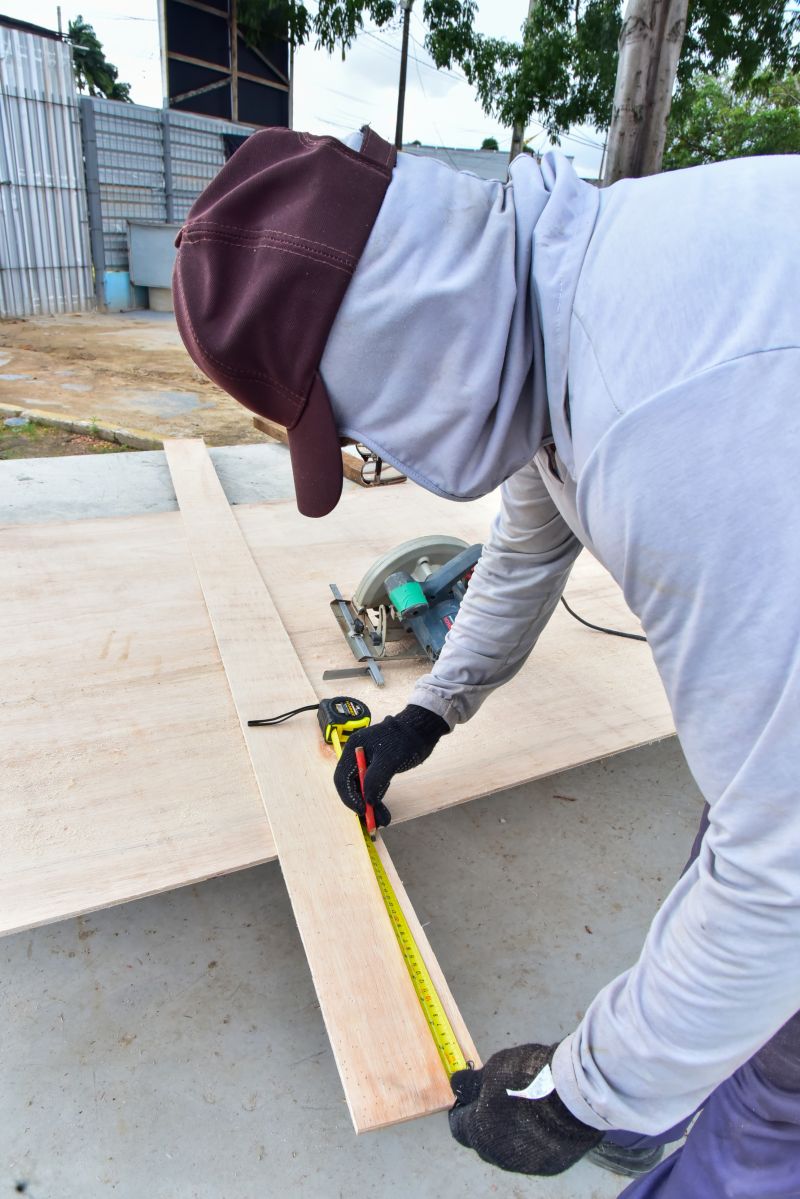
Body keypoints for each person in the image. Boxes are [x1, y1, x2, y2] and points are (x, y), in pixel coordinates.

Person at [172, 124, 800, 1194]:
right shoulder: (564, 292)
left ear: (396, 338)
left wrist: (583, 1095)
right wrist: (428, 714)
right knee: (741, 825)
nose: (372, 450)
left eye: (350, 419)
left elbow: (784, 876)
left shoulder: (671, 424)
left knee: (772, 1103)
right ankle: (686, 1071)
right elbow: (522, 547)